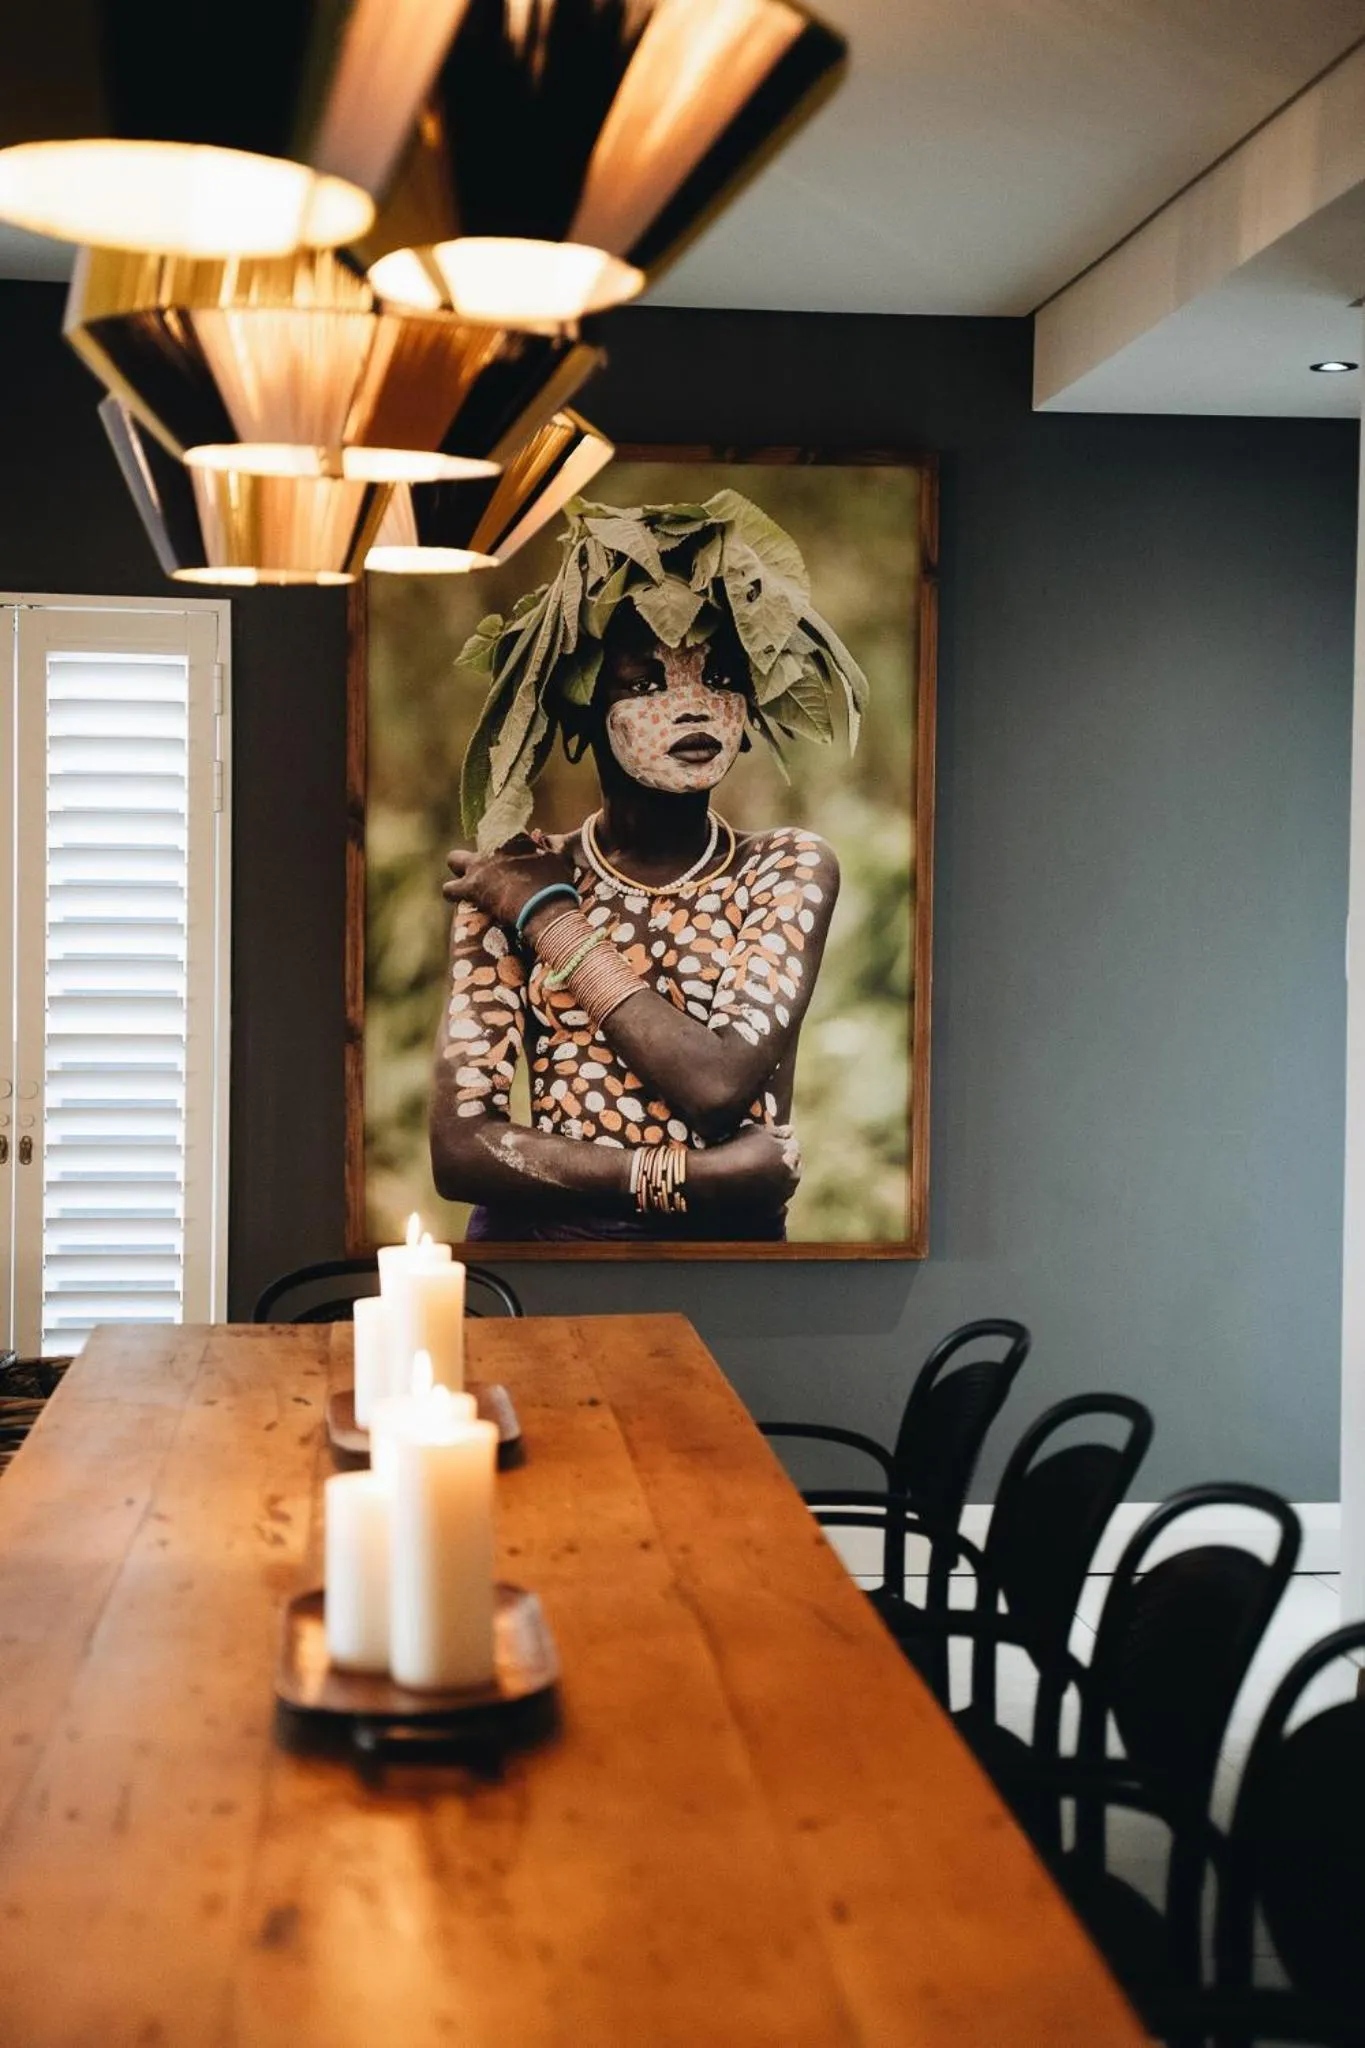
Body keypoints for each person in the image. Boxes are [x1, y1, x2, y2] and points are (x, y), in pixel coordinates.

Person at [431, 490, 866, 1242]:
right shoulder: (520, 878)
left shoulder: (782, 869)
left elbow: (716, 1084)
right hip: (547, 1268)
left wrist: (553, 927)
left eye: (721, 679)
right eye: (644, 684)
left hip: (727, 1276)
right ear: (578, 715)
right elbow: (460, 1149)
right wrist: (690, 1180)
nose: (692, 708)